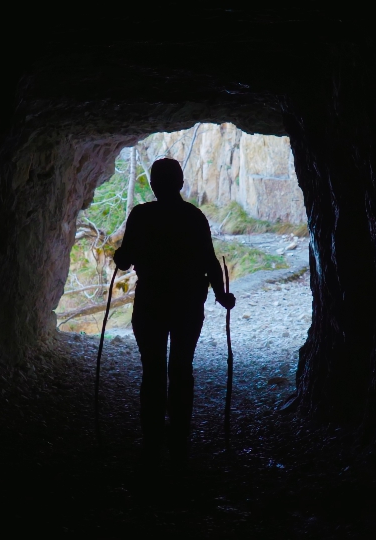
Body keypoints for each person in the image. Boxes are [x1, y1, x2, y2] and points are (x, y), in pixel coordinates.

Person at [113, 158, 236, 470]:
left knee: (152, 371)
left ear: (153, 184)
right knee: (181, 369)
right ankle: (179, 443)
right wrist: (221, 296)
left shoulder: (142, 215)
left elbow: (125, 262)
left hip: (151, 301)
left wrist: (121, 255)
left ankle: (152, 443)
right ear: (180, 184)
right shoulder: (193, 216)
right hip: (187, 303)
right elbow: (209, 261)